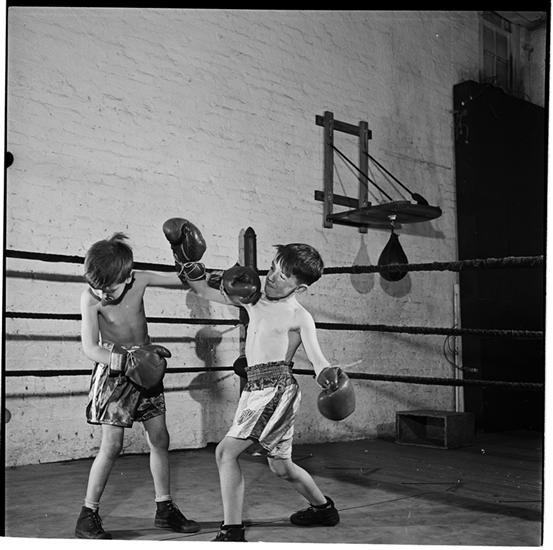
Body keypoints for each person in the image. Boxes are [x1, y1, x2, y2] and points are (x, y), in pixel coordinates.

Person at [163, 220, 352, 542]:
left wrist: (329, 376)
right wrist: (182, 256)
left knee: (225, 453)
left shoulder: (300, 316)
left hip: (277, 389)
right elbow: (203, 289)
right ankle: (323, 508)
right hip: (255, 388)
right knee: (281, 467)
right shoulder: (254, 298)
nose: (274, 277)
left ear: (301, 288)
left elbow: (318, 359)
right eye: (273, 268)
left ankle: (232, 530)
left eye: (284, 276)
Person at [75, 232, 201, 539]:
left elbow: (183, 281)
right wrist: (124, 361)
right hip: (115, 372)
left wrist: (186, 260)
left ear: (128, 276)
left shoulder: (140, 280)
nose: (102, 293)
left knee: (159, 438)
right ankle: (87, 515)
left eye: (109, 287)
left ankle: (165, 509)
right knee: (112, 445)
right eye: (97, 286)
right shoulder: (91, 297)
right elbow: (90, 347)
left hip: (147, 369)